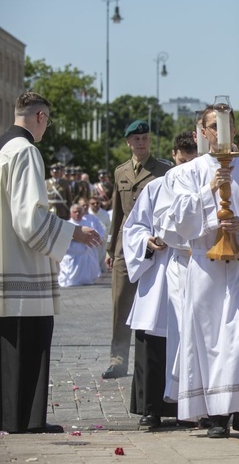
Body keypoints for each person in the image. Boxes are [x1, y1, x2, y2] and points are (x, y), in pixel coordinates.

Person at [162, 104, 239, 437]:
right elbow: (174, 223)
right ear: (202, 131)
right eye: (213, 126)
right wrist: (209, 192)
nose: (219, 132)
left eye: (225, 125)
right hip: (204, 268)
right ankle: (215, 416)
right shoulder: (184, 174)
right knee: (211, 342)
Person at [0, 92, 100, 434]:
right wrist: (73, 233)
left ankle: (8, 417)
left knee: (7, 347)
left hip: (3, 261)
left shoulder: (2, 149)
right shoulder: (26, 152)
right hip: (22, 269)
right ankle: (25, 421)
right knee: (27, 341)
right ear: (40, 116)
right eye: (49, 121)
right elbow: (30, 220)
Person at [122, 131, 198, 429]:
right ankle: (150, 408)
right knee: (153, 341)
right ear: (173, 157)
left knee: (187, 343)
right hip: (159, 277)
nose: (183, 169)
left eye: (190, 163)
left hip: (191, 273)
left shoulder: (203, 189)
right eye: (180, 162)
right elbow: (133, 227)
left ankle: (187, 408)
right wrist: (147, 241)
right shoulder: (155, 188)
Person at [103, 120, 171, 379]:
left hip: (155, 245)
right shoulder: (121, 172)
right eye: (136, 139)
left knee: (154, 302)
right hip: (125, 245)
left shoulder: (164, 169)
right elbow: (117, 214)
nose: (141, 143)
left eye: (145, 138)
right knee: (121, 301)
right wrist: (111, 248)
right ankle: (118, 357)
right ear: (128, 142)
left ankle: (154, 357)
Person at [57, 204, 104, 287]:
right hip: (71, 256)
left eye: (79, 212)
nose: (77, 214)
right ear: (71, 213)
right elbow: (61, 238)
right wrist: (77, 237)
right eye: (75, 212)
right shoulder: (66, 224)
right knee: (69, 281)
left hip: (84, 255)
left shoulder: (87, 224)